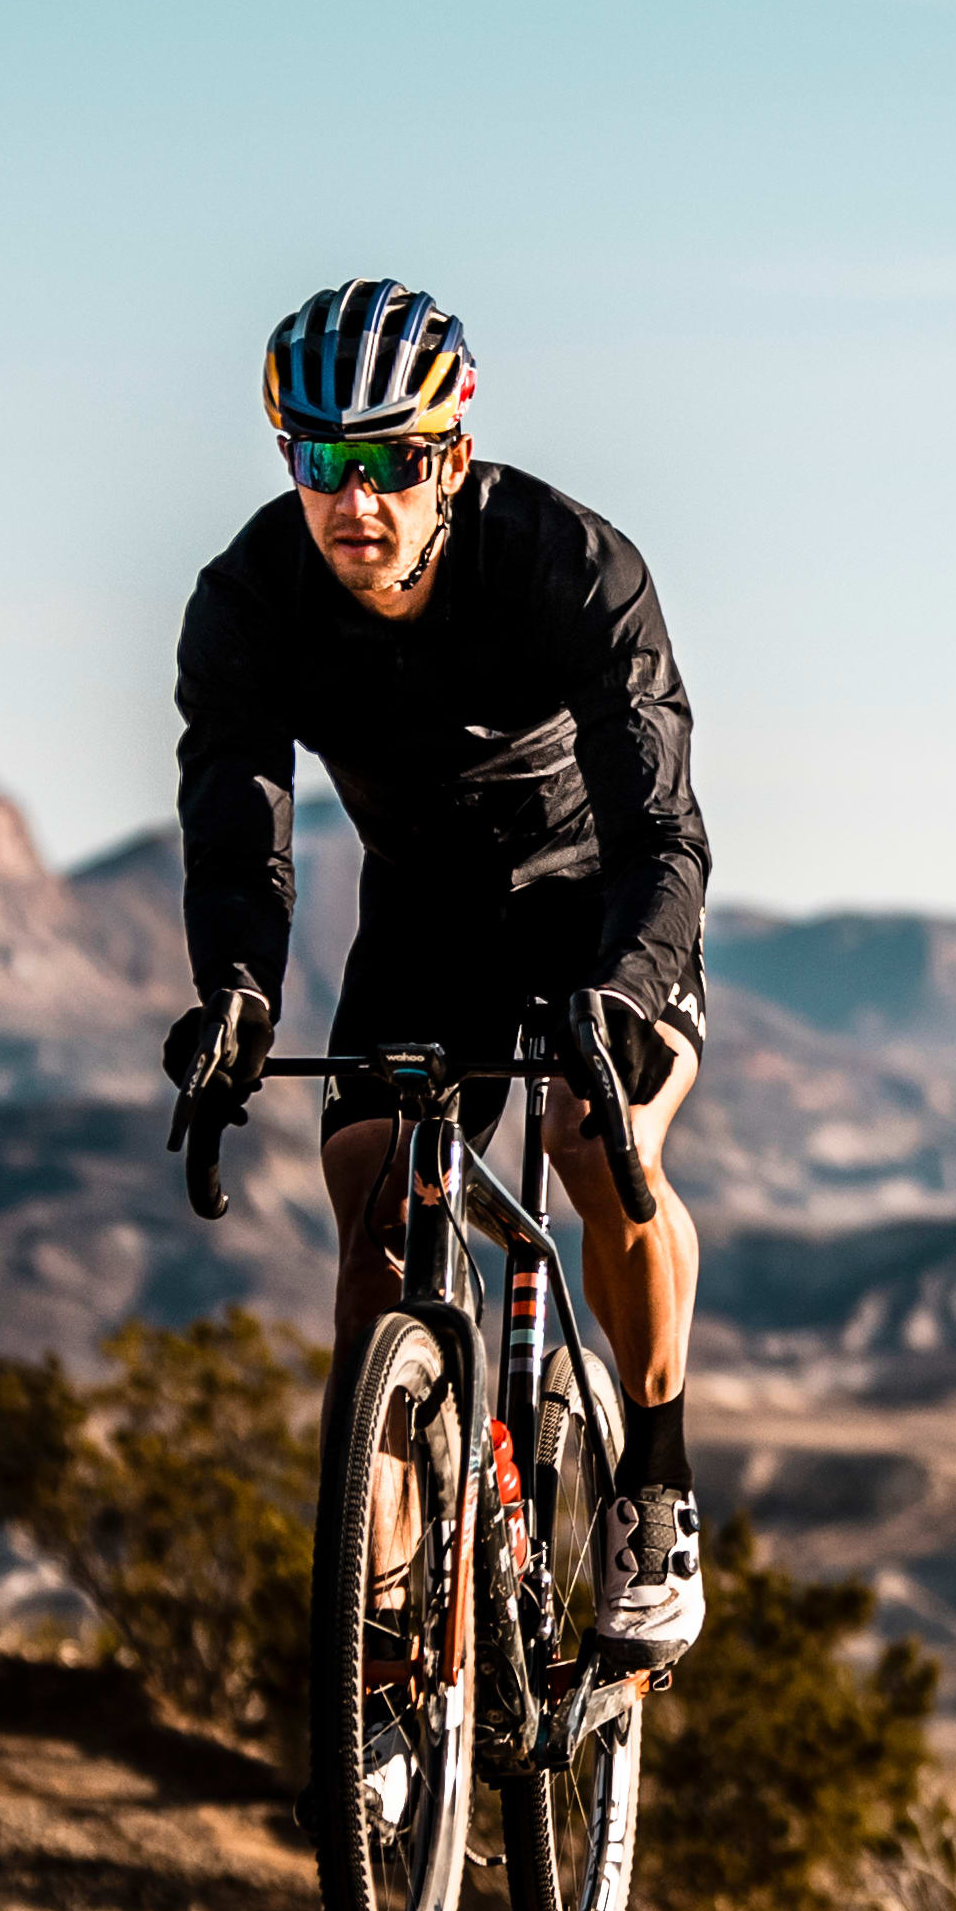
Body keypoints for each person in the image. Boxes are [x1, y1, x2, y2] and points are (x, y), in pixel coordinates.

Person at [163, 278, 710, 1664]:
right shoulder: (248, 601)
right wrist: (235, 991)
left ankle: (653, 1483)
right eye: (322, 464)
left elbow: (663, 826)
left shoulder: (569, 565)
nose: (357, 501)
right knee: (374, 1235)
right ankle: (395, 1658)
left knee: (601, 1145)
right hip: (425, 916)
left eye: (391, 464)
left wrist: (630, 988)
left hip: (601, 907)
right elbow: (237, 820)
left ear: (450, 454)